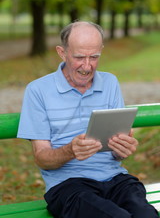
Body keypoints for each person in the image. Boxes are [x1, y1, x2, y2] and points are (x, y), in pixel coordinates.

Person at [17, 21, 159, 218]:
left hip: (115, 178)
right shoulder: (38, 90)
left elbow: (117, 153)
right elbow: (41, 158)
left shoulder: (110, 82)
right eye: (79, 57)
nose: (87, 66)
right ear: (62, 52)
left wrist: (122, 149)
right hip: (69, 186)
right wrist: (69, 151)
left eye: (94, 57)